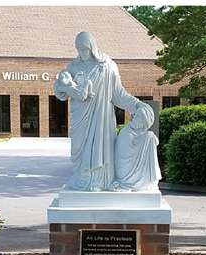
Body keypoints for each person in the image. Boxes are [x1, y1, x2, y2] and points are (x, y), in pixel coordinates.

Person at [53, 32, 146, 191]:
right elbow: (59, 88)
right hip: (79, 118)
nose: (81, 52)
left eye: (84, 49)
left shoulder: (106, 66)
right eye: (78, 49)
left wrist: (137, 105)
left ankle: (99, 181)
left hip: (100, 120)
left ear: (92, 47)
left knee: (100, 151)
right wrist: (67, 88)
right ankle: (82, 179)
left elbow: (119, 95)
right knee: (78, 149)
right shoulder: (73, 66)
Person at [114, 104, 161, 190]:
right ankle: (150, 178)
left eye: (139, 117)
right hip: (125, 172)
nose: (135, 118)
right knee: (149, 136)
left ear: (144, 122)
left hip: (132, 169)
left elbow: (155, 142)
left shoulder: (138, 133)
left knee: (150, 136)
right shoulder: (126, 131)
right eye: (136, 116)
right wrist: (148, 138)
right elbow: (127, 152)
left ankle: (149, 179)